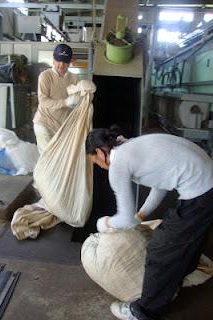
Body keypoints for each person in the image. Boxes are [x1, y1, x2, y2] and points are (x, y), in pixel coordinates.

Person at [85, 128, 213, 320]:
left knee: (159, 250)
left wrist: (103, 224)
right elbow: (160, 183)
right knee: (190, 236)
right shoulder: (131, 144)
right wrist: (141, 215)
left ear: (101, 152)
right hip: (207, 184)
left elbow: (125, 219)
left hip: (200, 193)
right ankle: (181, 274)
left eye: (96, 162)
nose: (101, 167)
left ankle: (144, 311)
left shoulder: (118, 164)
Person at [33, 43, 80, 154]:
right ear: (53, 60)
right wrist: (66, 102)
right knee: (47, 156)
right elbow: (43, 101)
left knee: (60, 157)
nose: (61, 65)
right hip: (44, 123)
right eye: (58, 60)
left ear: (69, 62)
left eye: (65, 62)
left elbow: (80, 98)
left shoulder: (74, 78)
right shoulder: (45, 76)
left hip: (61, 126)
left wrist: (81, 98)